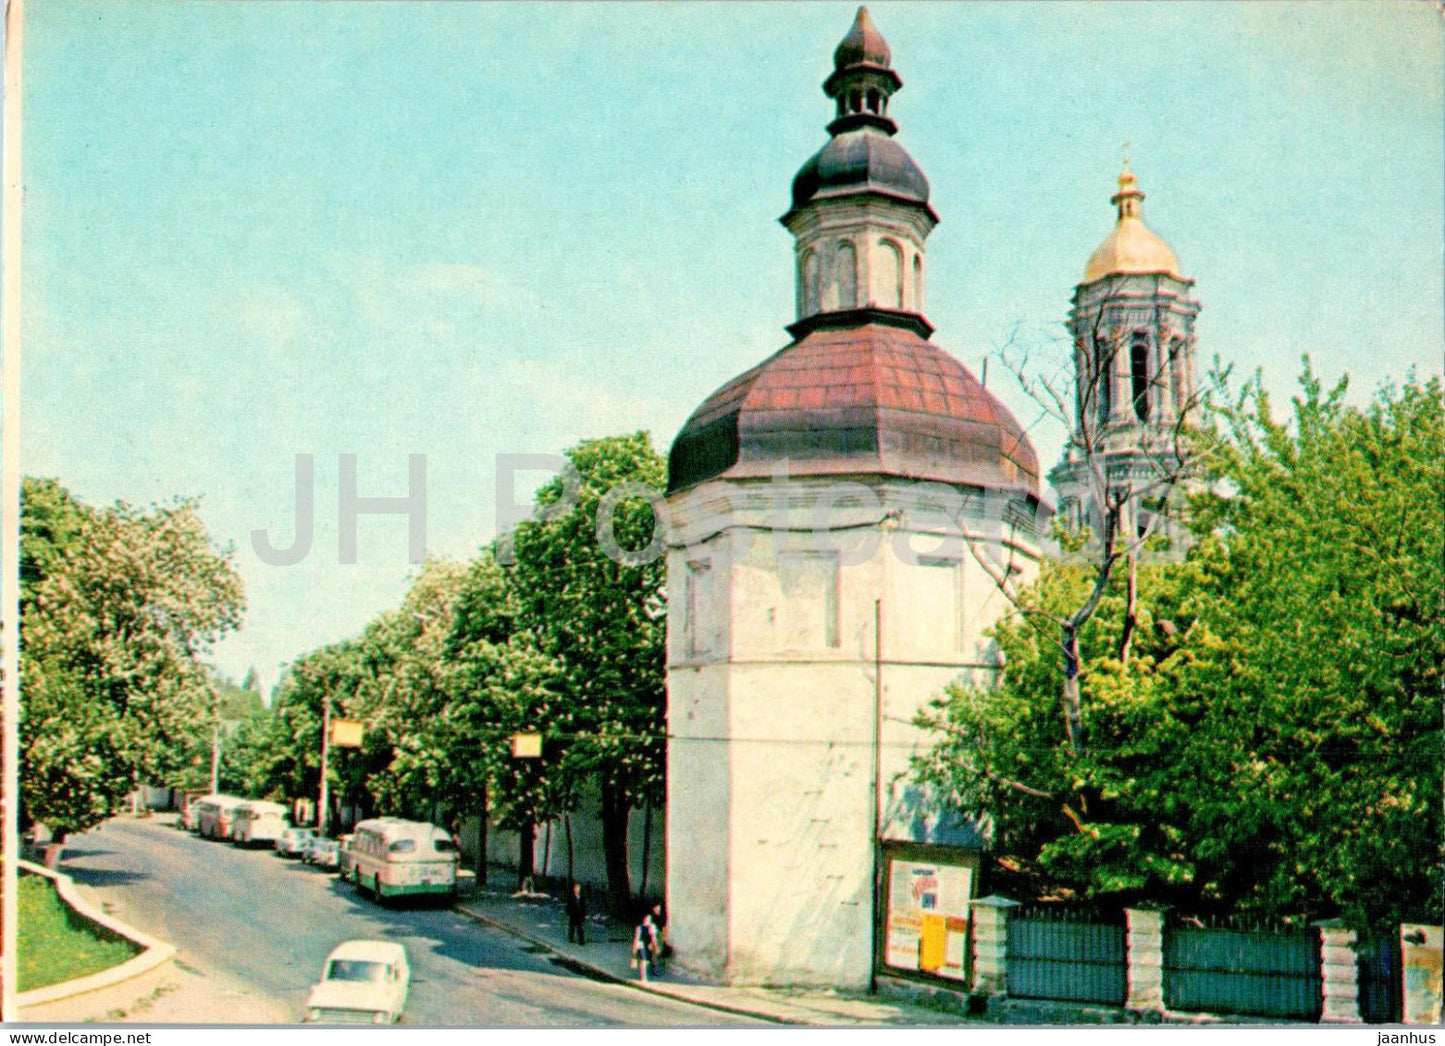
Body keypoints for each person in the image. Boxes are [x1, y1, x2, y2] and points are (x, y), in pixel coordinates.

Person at [632, 912, 659, 982]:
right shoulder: (640, 927)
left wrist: (655, 947)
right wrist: (634, 948)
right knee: (643, 961)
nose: (647, 920)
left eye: (648, 919)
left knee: (648, 960)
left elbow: (653, 938)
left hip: (648, 945)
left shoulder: (651, 927)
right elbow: (637, 938)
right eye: (646, 918)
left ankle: (653, 971)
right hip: (642, 945)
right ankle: (643, 977)